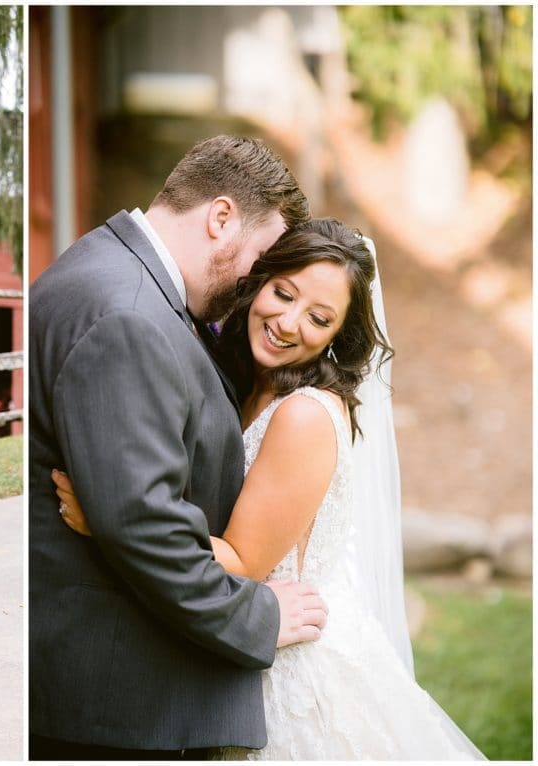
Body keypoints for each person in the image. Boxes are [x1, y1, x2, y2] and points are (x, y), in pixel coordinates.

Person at [55, 218, 484, 759]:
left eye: (319, 318)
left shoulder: (303, 415)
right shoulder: (243, 382)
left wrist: (108, 516)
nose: (287, 322)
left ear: (337, 337)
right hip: (237, 645)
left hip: (292, 668)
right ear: (260, 281)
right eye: (283, 293)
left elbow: (241, 560)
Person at [29, 135, 328, 760]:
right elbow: (145, 526)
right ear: (221, 218)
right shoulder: (129, 313)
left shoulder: (121, 276)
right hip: (116, 706)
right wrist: (258, 618)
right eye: (263, 256)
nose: (258, 283)